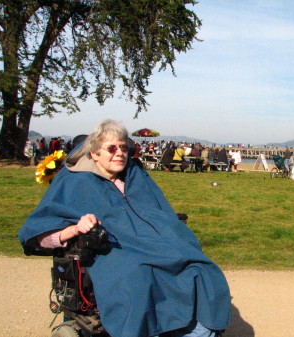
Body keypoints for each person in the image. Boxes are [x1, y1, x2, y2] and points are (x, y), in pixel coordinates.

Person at [18, 120, 231, 337]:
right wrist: (74, 229)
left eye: (123, 148)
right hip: (112, 251)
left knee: (201, 268)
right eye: (111, 148)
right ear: (94, 153)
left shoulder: (136, 175)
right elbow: (38, 232)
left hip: (152, 244)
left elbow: (159, 213)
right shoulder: (75, 182)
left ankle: (197, 329)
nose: (119, 153)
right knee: (139, 276)